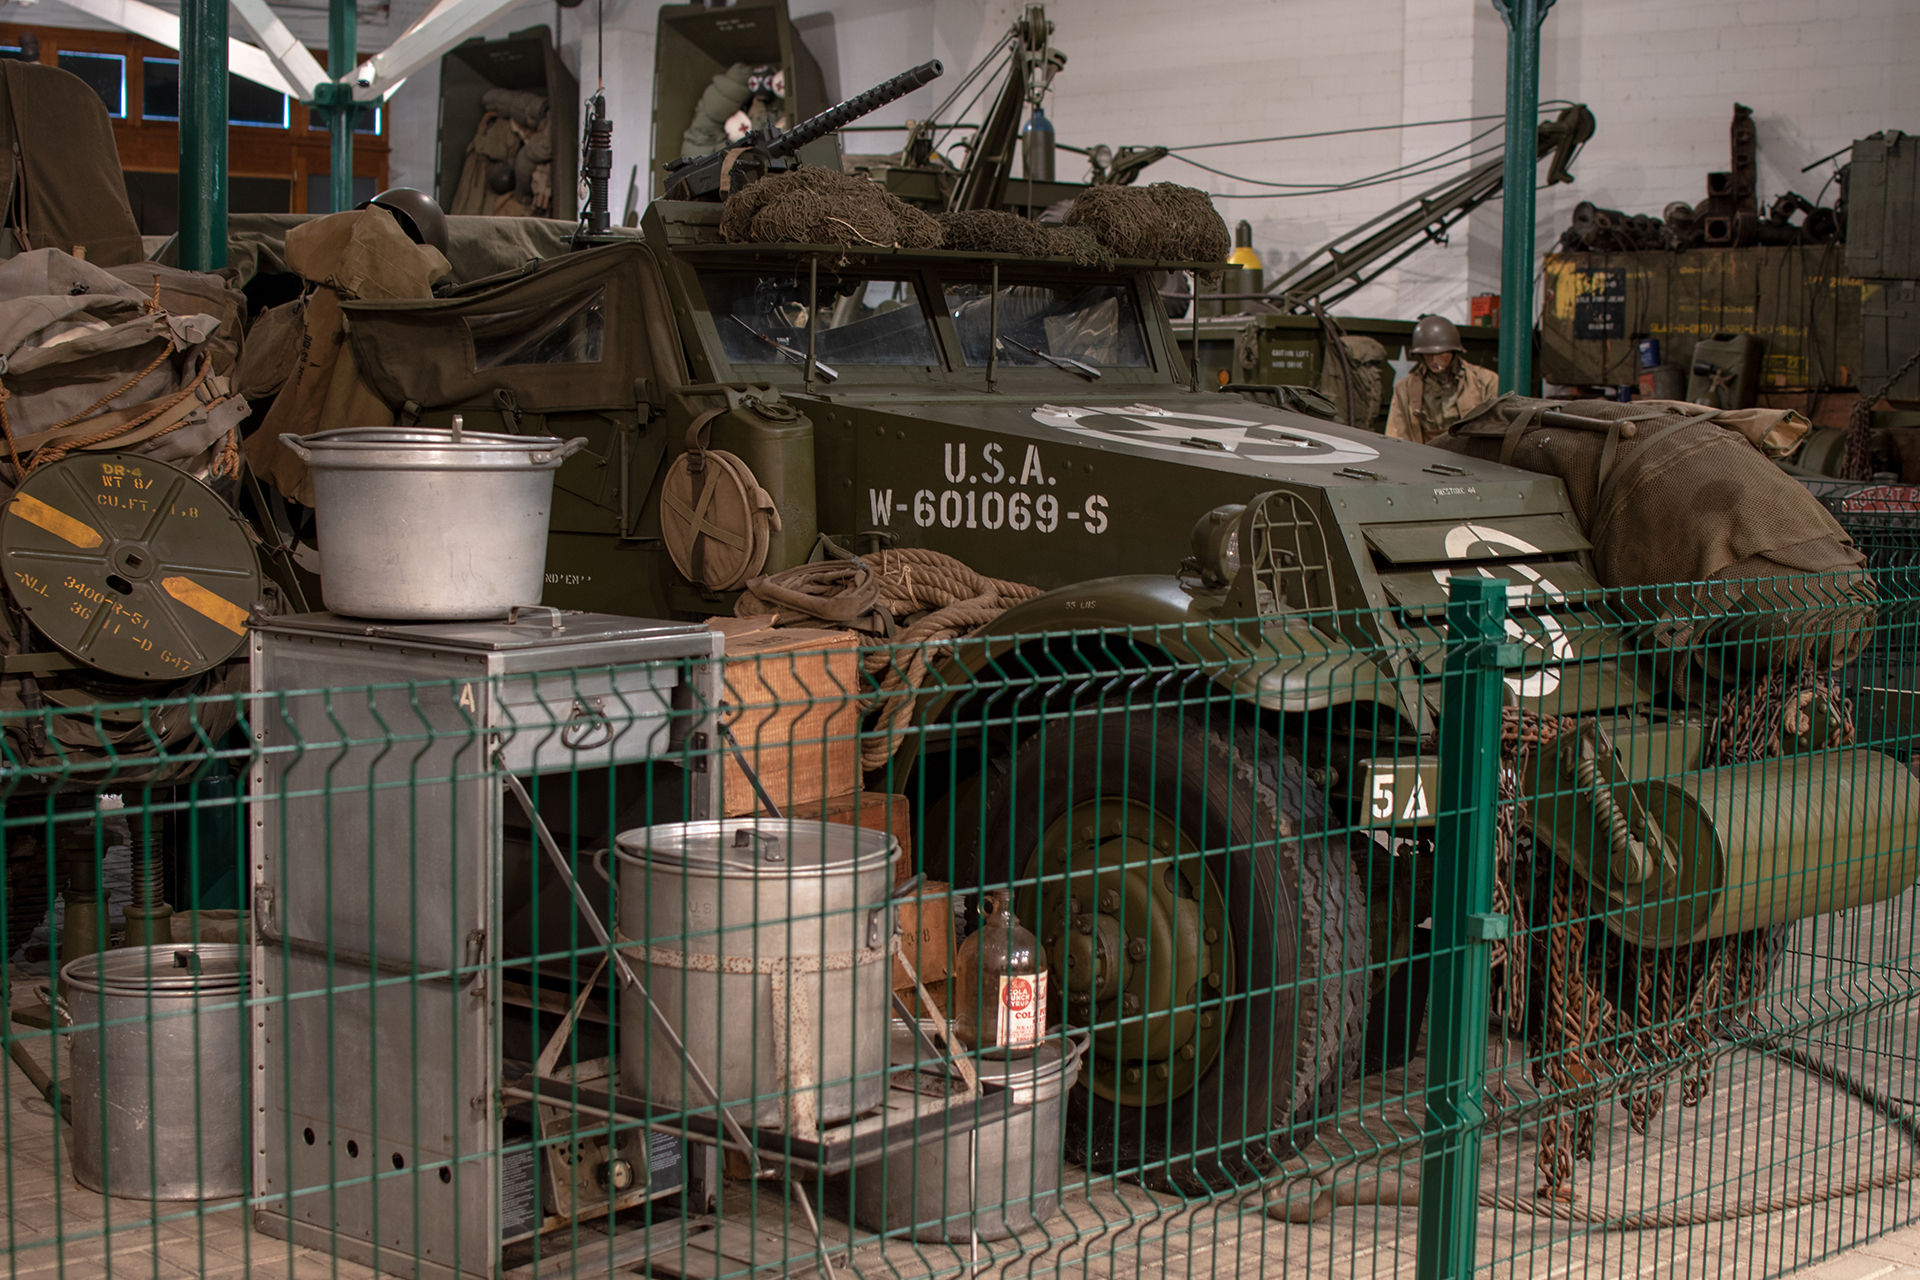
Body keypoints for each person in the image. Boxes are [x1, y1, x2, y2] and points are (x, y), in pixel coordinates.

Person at [1385, 315, 1499, 443]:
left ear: (1453, 351)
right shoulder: (1404, 389)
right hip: (1422, 456)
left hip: (1470, 457)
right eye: (1428, 354)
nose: (1434, 360)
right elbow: (1396, 435)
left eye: (1440, 354)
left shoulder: (1485, 381)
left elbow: (1495, 430)